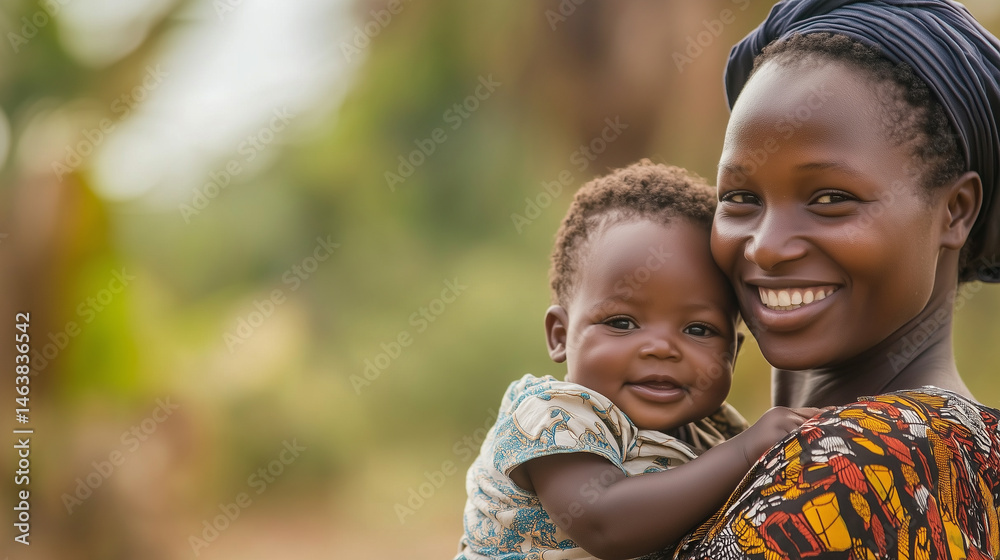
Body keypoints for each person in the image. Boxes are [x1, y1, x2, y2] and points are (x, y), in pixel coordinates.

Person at [669, 1, 1000, 558]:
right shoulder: (976, 455)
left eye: (830, 199)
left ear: (956, 211)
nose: (767, 246)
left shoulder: (845, 467)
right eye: (741, 199)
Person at [455, 160, 821, 560]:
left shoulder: (714, 430)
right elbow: (605, 523)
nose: (662, 348)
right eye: (622, 322)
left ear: (732, 352)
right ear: (560, 336)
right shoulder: (554, 416)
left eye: (698, 329)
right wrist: (746, 452)